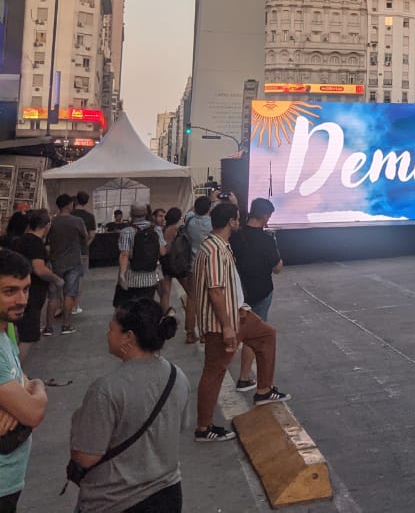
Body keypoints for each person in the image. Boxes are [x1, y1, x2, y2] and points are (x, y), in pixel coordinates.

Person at [67, 299, 190, 512]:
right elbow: (180, 426)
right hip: (168, 494)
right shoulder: (177, 377)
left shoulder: (106, 389)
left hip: (115, 501)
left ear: (129, 338)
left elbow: (86, 457)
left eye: (111, 329)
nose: (107, 335)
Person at [192, 201, 289, 443]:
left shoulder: (221, 245)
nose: (239, 221)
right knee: (214, 371)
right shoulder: (214, 250)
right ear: (230, 222)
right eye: (236, 218)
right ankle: (204, 427)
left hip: (239, 313)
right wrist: (226, 327)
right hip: (223, 321)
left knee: (267, 335)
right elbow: (215, 291)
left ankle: (264, 389)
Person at [0, 248, 48, 513]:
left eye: (26, 289)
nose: (22, 299)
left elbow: (26, 381)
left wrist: (32, 386)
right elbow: (33, 414)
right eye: (10, 291)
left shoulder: (6, 330)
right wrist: (32, 394)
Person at [229, 198, 283, 392]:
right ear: (265, 216)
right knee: (259, 336)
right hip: (261, 292)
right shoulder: (267, 239)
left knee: (240, 332)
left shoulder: (235, 236)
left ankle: (243, 377)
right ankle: (255, 383)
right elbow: (277, 268)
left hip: (238, 293)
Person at [12, 210, 62, 355]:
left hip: (21, 293)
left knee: (21, 335)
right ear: (47, 225)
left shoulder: (20, 240)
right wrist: (57, 279)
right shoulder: (35, 243)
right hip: (30, 296)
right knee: (28, 338)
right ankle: (16, 374)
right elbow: (39, 270)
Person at [48, 193, 88, 327]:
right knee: (69, 294)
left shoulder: (51, 222)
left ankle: (48, 327)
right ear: (69, 205)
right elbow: (85, 237)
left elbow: (46, 241)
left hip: (55, 262)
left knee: (53, 295)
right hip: (73, 262)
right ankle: (66, 324)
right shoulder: (77, 221)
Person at [116, 203, 165, 307]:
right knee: (146, 307)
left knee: (129, 308)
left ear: (131, 214)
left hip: (131, 278)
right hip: (150, 278)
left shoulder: (126, 231)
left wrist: (121, 275)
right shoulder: (156, 230)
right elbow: (162, 252)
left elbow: (124, 254)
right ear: (146, 213)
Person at [180, 196, 214, 343]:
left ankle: (189, 332)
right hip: (210, 265)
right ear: (209, 208)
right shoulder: (213, 223)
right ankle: (205, 333)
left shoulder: (190, 221)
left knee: (192, 299)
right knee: (209, 300)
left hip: (193, 265)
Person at [72, 191, 97, 315]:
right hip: (83, 252)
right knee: (80, 278)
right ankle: (75, 305)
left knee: (65, 278)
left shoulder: (68, 214)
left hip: (66, 252)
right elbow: (92, 235)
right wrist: (85, 245)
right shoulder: (90, 216)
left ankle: (63, 304)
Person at [157, 208, 183, 312]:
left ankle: (165, 313)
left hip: (165, 262)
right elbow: (166, 248)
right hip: (172, 262)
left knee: (165, 292)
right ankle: (165, 311)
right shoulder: (173, 229)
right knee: (166, 292)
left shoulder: (164, 228)